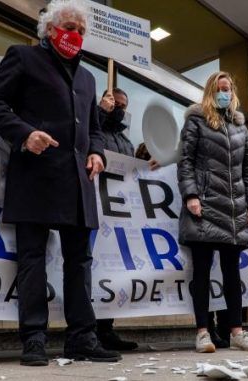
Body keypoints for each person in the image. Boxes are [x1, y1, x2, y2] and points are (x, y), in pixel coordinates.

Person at [0, 0, 120, 365]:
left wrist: (98, 153)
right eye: (69, 26)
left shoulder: (89, 78)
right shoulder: (23, 58)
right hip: (35, 176)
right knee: (32, 259)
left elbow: (94, 129)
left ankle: (82, 338)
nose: (75, 35)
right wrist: (25, 134)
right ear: (50, 29)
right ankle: (34, 338)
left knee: (80, 262)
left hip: (78, 182)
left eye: (81, 30)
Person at [178, 71, 248, 353]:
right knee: (201, 272)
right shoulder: (196, 120)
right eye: (219, 88)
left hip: (234, 208)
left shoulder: (240, 127)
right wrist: (191, 194)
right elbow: (185, 160)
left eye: (228, 88)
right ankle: (203, 332)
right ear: (210, 91)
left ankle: (237, 332)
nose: (224, 93)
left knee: (231, 274)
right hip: (204, 204)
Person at [94, 88, 138, 351]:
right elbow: (86, 139)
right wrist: (100, 112)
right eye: (114, 103)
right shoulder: (95, 126)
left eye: (123, 105)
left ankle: (106, 329)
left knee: (111, 268)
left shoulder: (126, 140)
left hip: (117, 214)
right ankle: (89, 328)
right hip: (96, 208)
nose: (118, 108)